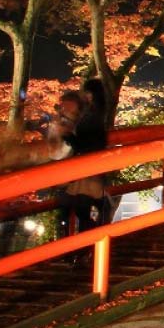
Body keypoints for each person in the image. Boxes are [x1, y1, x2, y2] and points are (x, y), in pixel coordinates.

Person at [56, 78, 112, 236]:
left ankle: (80, 247)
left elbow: (88, 143)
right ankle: (86, 245)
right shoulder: (95, 113)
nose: (84, 95)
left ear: (93, 94)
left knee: (79, 207)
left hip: (87, 167)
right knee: (83, 207)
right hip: (89, 167)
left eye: (87, 92)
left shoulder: (93, 116)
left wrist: (68, 136)